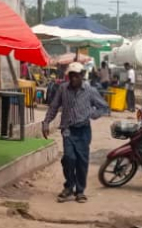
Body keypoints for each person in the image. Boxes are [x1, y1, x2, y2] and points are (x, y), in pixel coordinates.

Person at [42, 62, 110, 203]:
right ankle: (69, 186)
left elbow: (104, 107)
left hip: (83, 131)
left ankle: (80, 191)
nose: (73, 79)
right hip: (68, 129)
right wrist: (46, 122)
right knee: (69, 158)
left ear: (82, 75)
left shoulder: (90, 90)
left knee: (81, 161)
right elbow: (54, 106)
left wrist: (92, 114)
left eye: (76, 76)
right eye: (71, 76)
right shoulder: (63, 89)